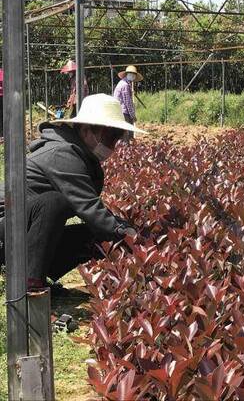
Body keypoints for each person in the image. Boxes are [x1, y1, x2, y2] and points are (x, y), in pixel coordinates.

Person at [0, 94, 147, 291]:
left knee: (94, 235)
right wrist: (132, 236)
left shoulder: (78, 154)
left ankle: (41, 275)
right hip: (6, 231)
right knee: (55, 202)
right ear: (86, 130)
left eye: (117, 138)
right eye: (109, 137)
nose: (112, 146)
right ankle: (30, 284)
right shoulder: (62, 153)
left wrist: (124, 232)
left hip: (25, 230)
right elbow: (89, 208)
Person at [113, 65, 143, 143]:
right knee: (126, 134)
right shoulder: (125, 85)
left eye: (134, 74)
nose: (132, 76)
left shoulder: (123, 83)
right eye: (131, 74)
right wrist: (133, 115)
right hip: (123, 112)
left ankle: (124, 150)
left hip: (119, 111)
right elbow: (127, 102)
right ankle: (126, 149)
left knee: (123, 134)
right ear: (127, 74)